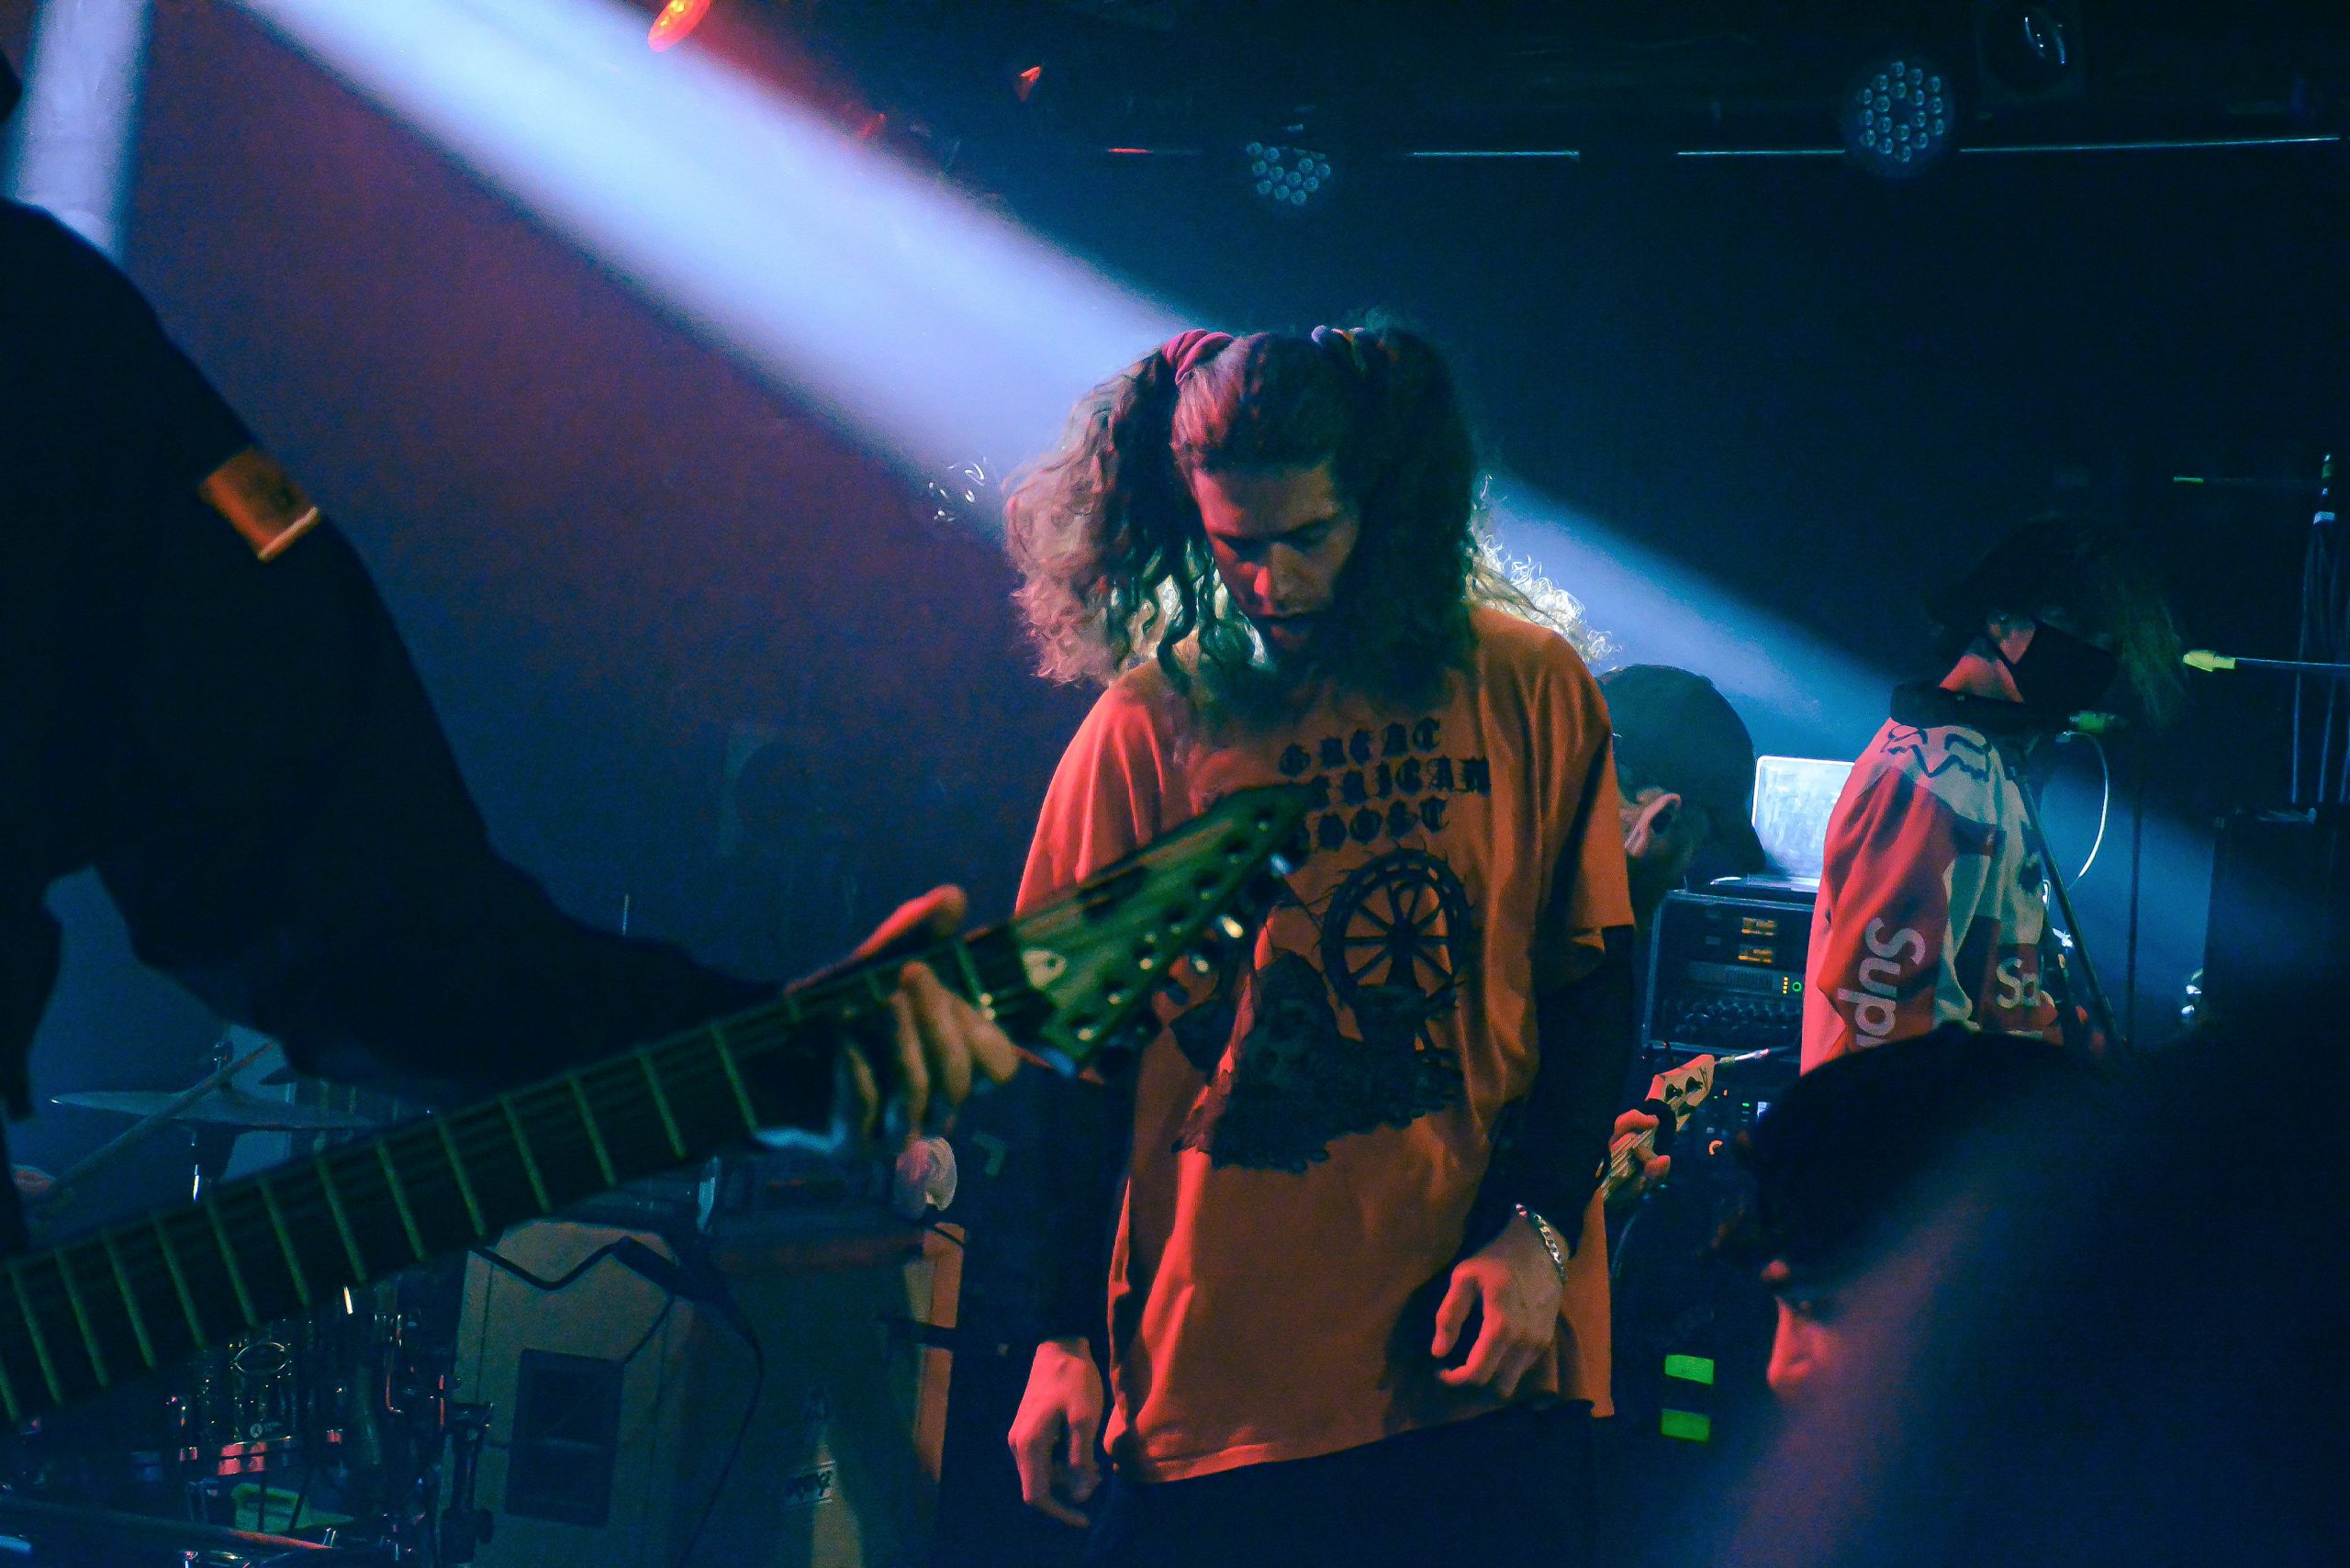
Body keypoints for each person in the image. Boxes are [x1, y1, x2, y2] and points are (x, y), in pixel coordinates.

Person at [0, 119, 1013, 1250]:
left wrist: (765, 1062)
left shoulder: (48, 342)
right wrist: (769, 1062)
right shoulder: (53, 334)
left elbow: (364, 920)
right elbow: (365, 927)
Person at [999, 324, 1637, 1567]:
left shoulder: (1528, 685)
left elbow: (1594, 990)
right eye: (1235, 545)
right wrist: (1058, 1337)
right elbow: (1069, 1069)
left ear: (1381, 507)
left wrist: (1543, 1233)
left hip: (1482, 1366)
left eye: (1308, 536)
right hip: (1222, 1388)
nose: (1272, 581)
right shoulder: (1144, 733)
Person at [1801, 516, 2179, 1070]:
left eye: (2109, 645)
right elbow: (1891, 1028)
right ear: (2002, 619)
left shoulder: (1988, 764)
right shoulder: (1933, 777)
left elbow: (2007, 1000)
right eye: (2081, 630)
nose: (2096, 656)